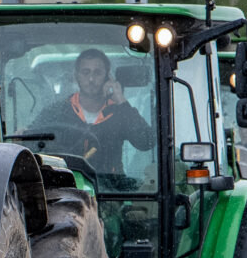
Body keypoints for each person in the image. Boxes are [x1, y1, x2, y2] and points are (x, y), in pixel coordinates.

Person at [27, 48, 154, 176]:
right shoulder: (57, 112)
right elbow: (30, 142)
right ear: (76, 76)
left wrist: (121, 100)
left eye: (97, 73)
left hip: (110, 186)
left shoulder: (120, 113)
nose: (91, 79)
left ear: (107, 77)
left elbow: (146, 141)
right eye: (85, 72)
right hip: (66, 184)